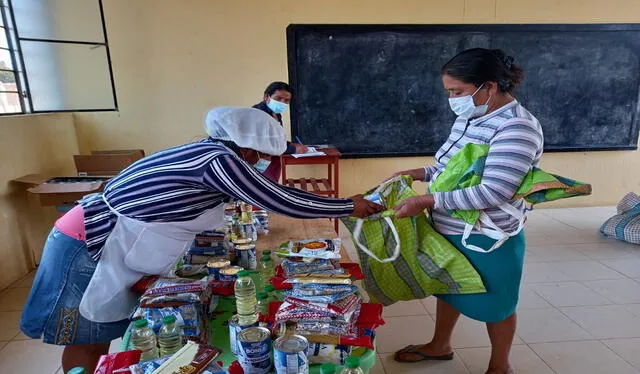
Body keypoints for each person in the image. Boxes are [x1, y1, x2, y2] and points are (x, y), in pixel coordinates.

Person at [19, 107, 383, 373]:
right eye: (264, 157)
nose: (263, 164)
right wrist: (348, 205)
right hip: (88, 242)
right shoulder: (219, 160)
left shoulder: (207, 152)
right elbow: (276, 197)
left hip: (105, 241)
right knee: (85, 336)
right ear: (249, 150)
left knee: (99, 330)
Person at [389, 49, 543, 374]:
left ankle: (500, 365)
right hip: (449, 227)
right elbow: (447, 168)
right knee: (450, 287)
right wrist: (416, 174)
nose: (453, 99)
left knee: (497, 304)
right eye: (449, 92)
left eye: (457, 91)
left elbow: (493, 191)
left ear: (488, 87)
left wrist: (427, 201)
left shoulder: (518, 128)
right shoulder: (470, 117)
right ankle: (440, 345)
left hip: (489, 236)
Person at [252, 81, 308, 182]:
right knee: (263, 190)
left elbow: (276, 138)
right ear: (267, 97)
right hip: (258, 161)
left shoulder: (276, 114)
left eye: (287, 100)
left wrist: (290, 144)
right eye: (278, 98)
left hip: (272, 161)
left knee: (271, 189)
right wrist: (294, 149)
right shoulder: (257, 114)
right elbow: (267, 143)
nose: (282, 103)